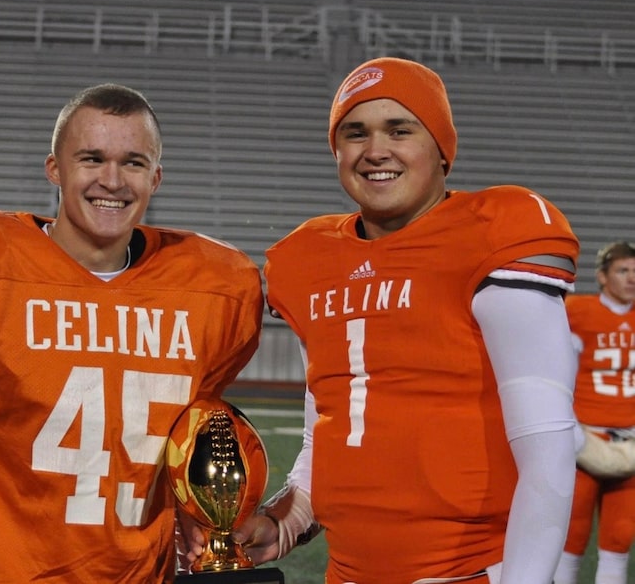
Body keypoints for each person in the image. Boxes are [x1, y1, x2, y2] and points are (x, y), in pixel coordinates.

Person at [208, 57, 581, 584]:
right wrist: (287, 519)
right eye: (355, 133)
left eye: (399, 130)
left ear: (442, 149)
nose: (375, 150)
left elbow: (548, 453)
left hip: (470, 573)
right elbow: (331, 430)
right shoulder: (306, 260)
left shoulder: (495, 232)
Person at [0, 83, 264, 583]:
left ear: (157, 177)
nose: (112, 180)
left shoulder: (215, 287)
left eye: (134, 163)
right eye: (92, 158)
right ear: (54, 168)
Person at [554, 241, 635, 584]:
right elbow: (555, 373)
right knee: (571, 537)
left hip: (630, 440)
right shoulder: (576, 311)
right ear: (602, 277)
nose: (632, 278)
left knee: (619, 538)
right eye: (623, 270)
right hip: (584, 437)